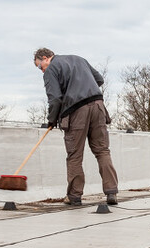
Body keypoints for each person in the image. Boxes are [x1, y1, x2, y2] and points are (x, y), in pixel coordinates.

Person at [33, 47, 119, 206]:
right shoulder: (79, 59)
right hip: (98, 106)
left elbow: (55, 99)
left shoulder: (51, 69)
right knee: (102, 150)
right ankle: (112, 191)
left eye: (40, 66)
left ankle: (74, 196)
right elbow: (99, 79)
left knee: (74, 155)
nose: (41, 71)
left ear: (45, 58)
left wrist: (52, 120)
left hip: (76, 112)